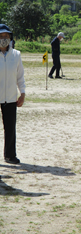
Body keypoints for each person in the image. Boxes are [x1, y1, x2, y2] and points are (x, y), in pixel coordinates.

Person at [0, 24, 26, 164]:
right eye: (1, 36)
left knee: (10, 127)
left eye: (6, 36)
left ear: (10, 38)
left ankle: (10, 155)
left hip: (10, 97)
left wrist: (22, 93)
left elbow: (20, 76)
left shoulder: (16, 55)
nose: (4, 39)